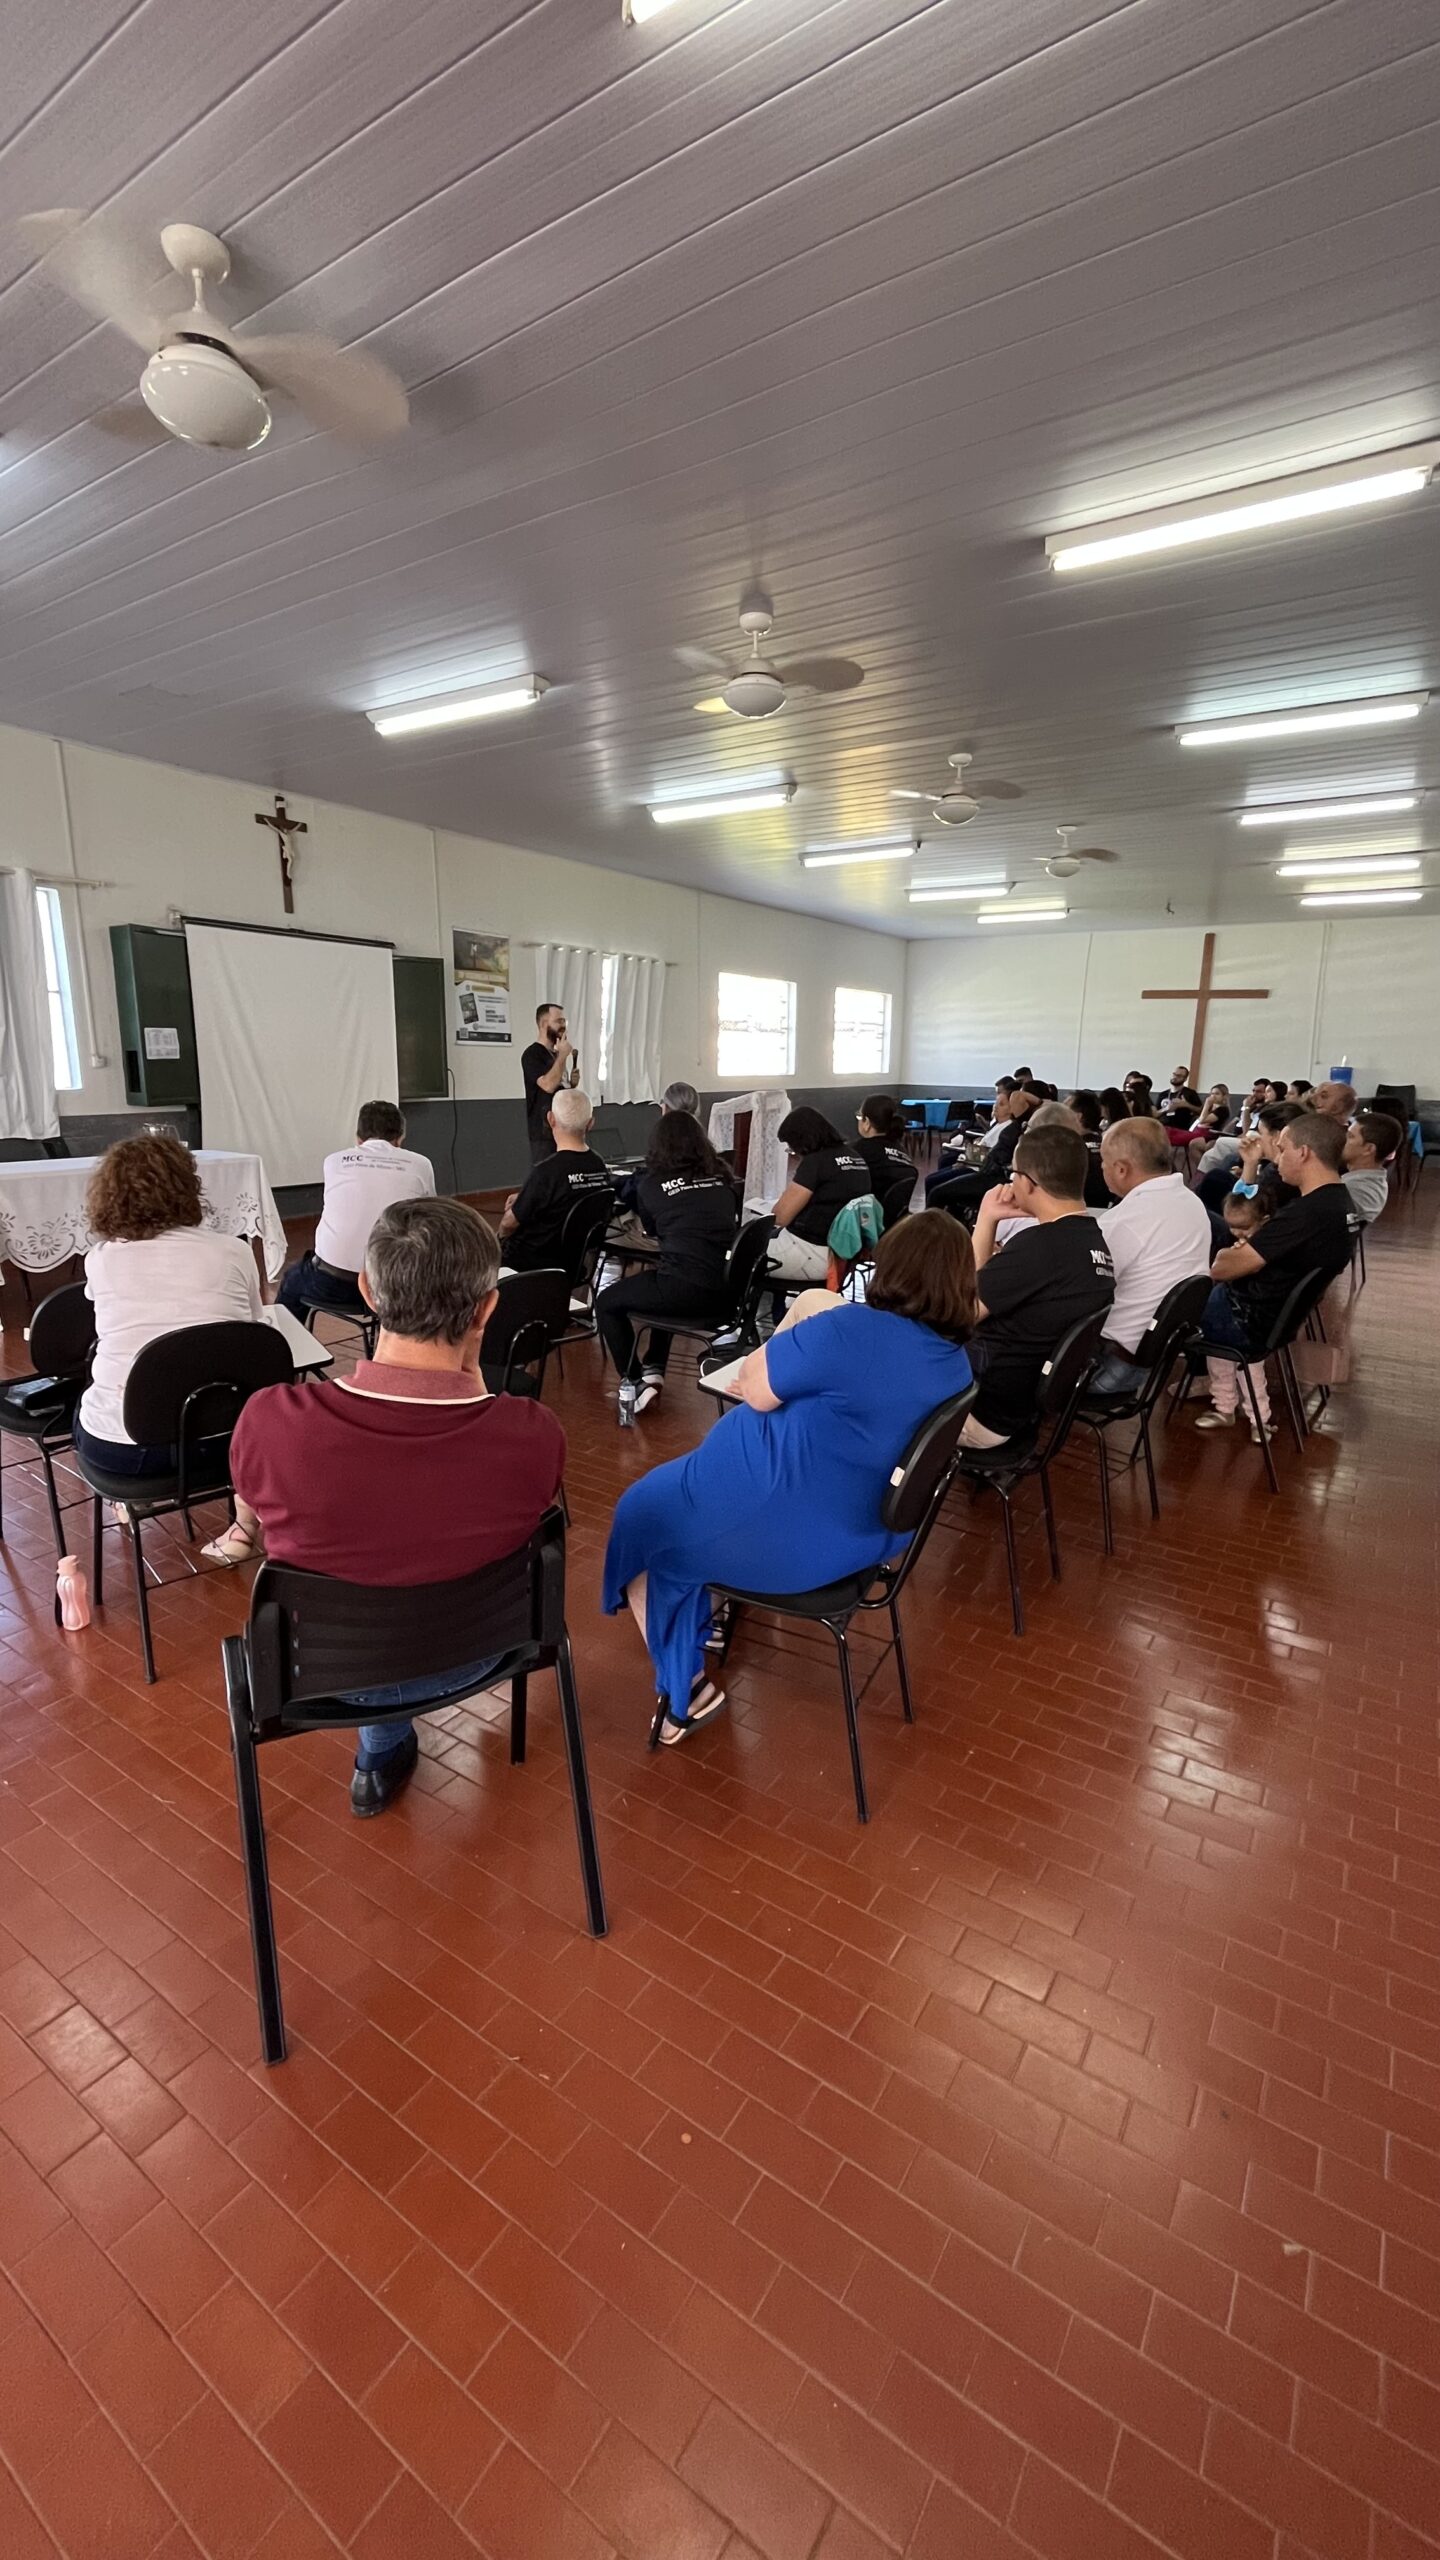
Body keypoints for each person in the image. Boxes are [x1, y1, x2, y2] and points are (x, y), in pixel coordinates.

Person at [229, 1197, 564, 1815]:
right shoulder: (534, 1432)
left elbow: (253, 1509)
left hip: (328, 1676)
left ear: (367, 1291)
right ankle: (381, 1750)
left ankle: (381, 1751)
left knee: (376, 1600)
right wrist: (472, 1383)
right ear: (487, 1309)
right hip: (488, 1651)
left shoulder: (273, 1421)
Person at [602, 1212, 976, 1740]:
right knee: (666, 1504)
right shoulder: (956, 1363)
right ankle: (701, 1616)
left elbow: (755, 1388)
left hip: (793, 1537)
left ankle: (688, 1691)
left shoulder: (850, 1331)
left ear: (890, 1267)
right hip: (868, 1530)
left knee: (644, 1521)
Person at [74, 1133, 265, 1480]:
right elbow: (254, 1330)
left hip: (122, 1450)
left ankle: (129, 1502)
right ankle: (242, 1508)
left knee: (83, 1401)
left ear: (111, 1197)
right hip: (223, 1439)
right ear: (188, 1188)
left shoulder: (100, 1259)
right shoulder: (233, 1251)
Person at [1195, 1110, 1353, 1439]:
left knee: (1171, 1301)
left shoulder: (1306, 1214)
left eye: (1282, 1149)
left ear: (1304, 1153)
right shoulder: (1337, 1201)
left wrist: (1224, 1257)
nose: (1277, 1159)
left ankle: (1198, 1384)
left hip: (1248, 1319)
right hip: (1278, 1317)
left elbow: (1224, 1267)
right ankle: (1219, 1392)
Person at [961, 1123, 1116, 1448]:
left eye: (1013, 1173)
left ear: (1029, 1183)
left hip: (978, 1411)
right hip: (1022, 1409)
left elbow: (962, 1312)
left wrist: (985, 1217)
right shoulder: (1093, 1241)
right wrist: (990, 1220)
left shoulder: (1039, 1246)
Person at [595, 1113, 739, 1410]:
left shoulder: (650, 1185)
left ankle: (634, 1382)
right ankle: (654, 1367)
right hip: (728, 1293)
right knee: (663, 1280)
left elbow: (653, 1230)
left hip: (685, 1291)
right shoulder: (723, 1177)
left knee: (607, 1302)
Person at [1087, 1117, 1213, 1393]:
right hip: (1153, 1363)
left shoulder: (1126, 1220)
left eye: (1104, 1161)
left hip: (1106, 1369)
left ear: (1121, 1169)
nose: (1101, 1167)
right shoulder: (1192, 1203)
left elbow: (1081, 1288)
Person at [277, 1100, 434, 1319]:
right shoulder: (421, 1164)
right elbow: (430, 1216)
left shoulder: (333, 1161)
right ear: (400, 1138)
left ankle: (284, 1339)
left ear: (359, 1138)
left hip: (333, 1284)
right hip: (397, 1288)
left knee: (292, 1283)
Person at [497, 1088, 611, 1273]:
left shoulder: (546, 1172)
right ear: (591, 1123)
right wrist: (525, 1197)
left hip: (530, 1265)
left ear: (551, 1119)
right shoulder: (599, 1165)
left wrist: (499, 1239)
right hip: (574, 1262)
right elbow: (571, 1196)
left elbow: (509, 1223)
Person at [767, 1108, 874, 1286]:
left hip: (810, 1252)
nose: (795, 1154)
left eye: (792, 1148)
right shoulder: (855, 1157)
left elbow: (780, 1217)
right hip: (843, 1255)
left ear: (801, 1142)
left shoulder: (815, 1162)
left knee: (741, 1253)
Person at [928, 1082, 1041, 1213]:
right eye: (996, 1103)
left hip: (986, 1173)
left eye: (1001, 1104)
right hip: (981, 1167)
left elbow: (994, 1157)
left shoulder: (1013, 1128)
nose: (995, 1107)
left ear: (1012, 1108)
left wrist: (966, 1160)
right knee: (938, 1177)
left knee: (935, 1191)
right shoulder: (1004, 1126)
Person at [520, 1002, 581, 1163]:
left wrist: (571, 1085)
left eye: (564, 1021)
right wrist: (562, 1056)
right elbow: (547, 1085)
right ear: (543, 1024)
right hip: (544, 1132)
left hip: (564, 1127)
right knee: (547, 1173)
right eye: (558, 1021)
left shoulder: (555, 1054)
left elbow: (558, 1088)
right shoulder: (532, 1054)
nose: (563, 1026)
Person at [1343, 1110, 1402, 1223]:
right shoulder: (1366, 1181)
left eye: (1350, 1136)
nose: (1343, 1140)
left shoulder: (1358, 1190)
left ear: (1368, 1149)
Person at [853, 1095, 915, 1199]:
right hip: (894, 1208)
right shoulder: (901, 1149)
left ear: (867, 1123)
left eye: (859, 1116)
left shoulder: (856, 1151)